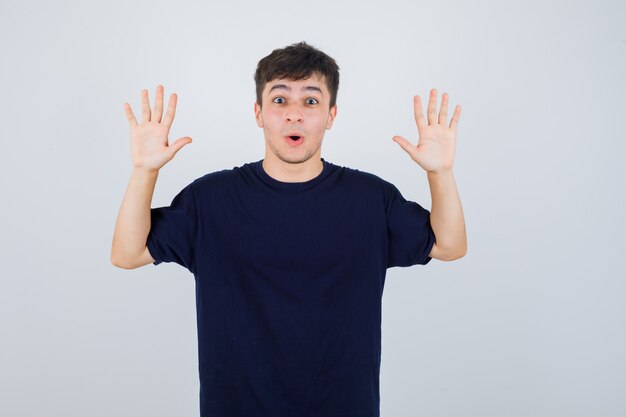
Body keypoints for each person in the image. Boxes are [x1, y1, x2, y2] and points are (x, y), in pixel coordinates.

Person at [111, 41, 466, 417]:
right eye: (279, 100)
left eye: (311, 101)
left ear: (331, 115)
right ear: (258, 112)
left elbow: (449, 245)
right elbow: (127, 253)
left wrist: (440, 172)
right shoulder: (210, 200)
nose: (294, 114)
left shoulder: (369, 199)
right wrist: (144, 171)